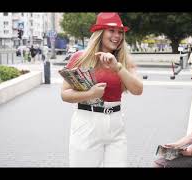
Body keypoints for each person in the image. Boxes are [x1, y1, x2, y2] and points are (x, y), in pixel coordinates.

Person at [61, 12, 143, 167]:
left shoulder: (124, 60)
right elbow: (64, 94)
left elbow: (138, 90)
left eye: (120, 32)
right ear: (100, 33)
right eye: (111, 30)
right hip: (87, 121)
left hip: (116, 122)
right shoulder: (80, 58)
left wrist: (117, 67)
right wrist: (90, 94)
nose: (117, 36)